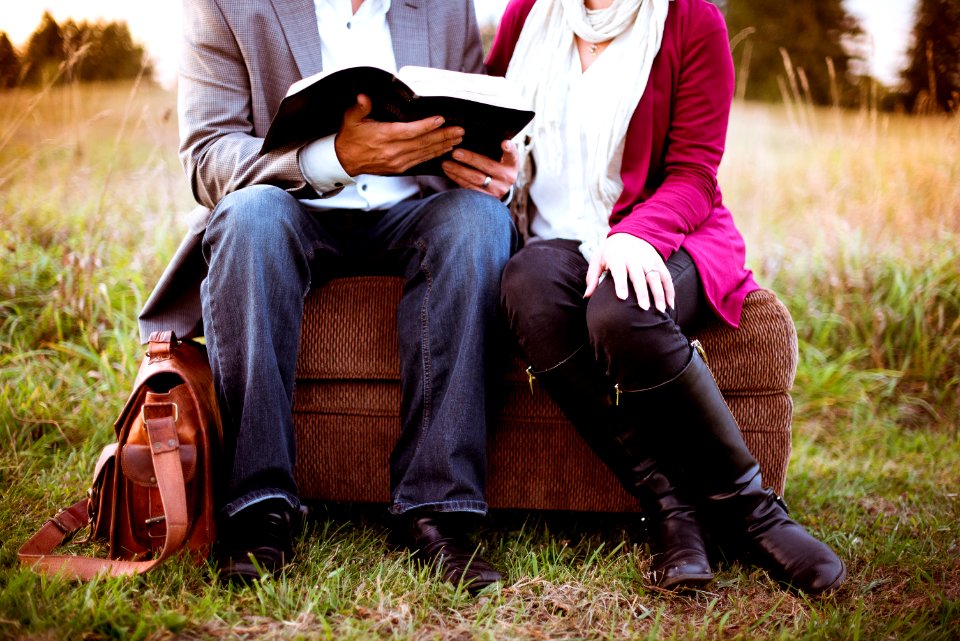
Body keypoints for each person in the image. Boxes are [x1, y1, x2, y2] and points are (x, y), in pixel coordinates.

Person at [138, 0, 520, 591]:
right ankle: (259, 508)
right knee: (249, 218)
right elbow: (207, 157)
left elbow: (471, 122)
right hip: (290, 206)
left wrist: (487, 165)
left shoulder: (448, 5)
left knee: (479, 222)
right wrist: (334, 158)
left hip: (414, 211)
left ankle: (437, 509)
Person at [488, 0, 846, 595]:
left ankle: (752, 511)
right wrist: (482, 166)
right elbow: (488, 127)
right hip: (553, 241)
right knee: (525, 284)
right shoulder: (526, 16)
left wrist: (635, 235)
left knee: (621, 309)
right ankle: (669, 507)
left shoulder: (691, 19)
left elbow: (695, 171)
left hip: (667, 232)